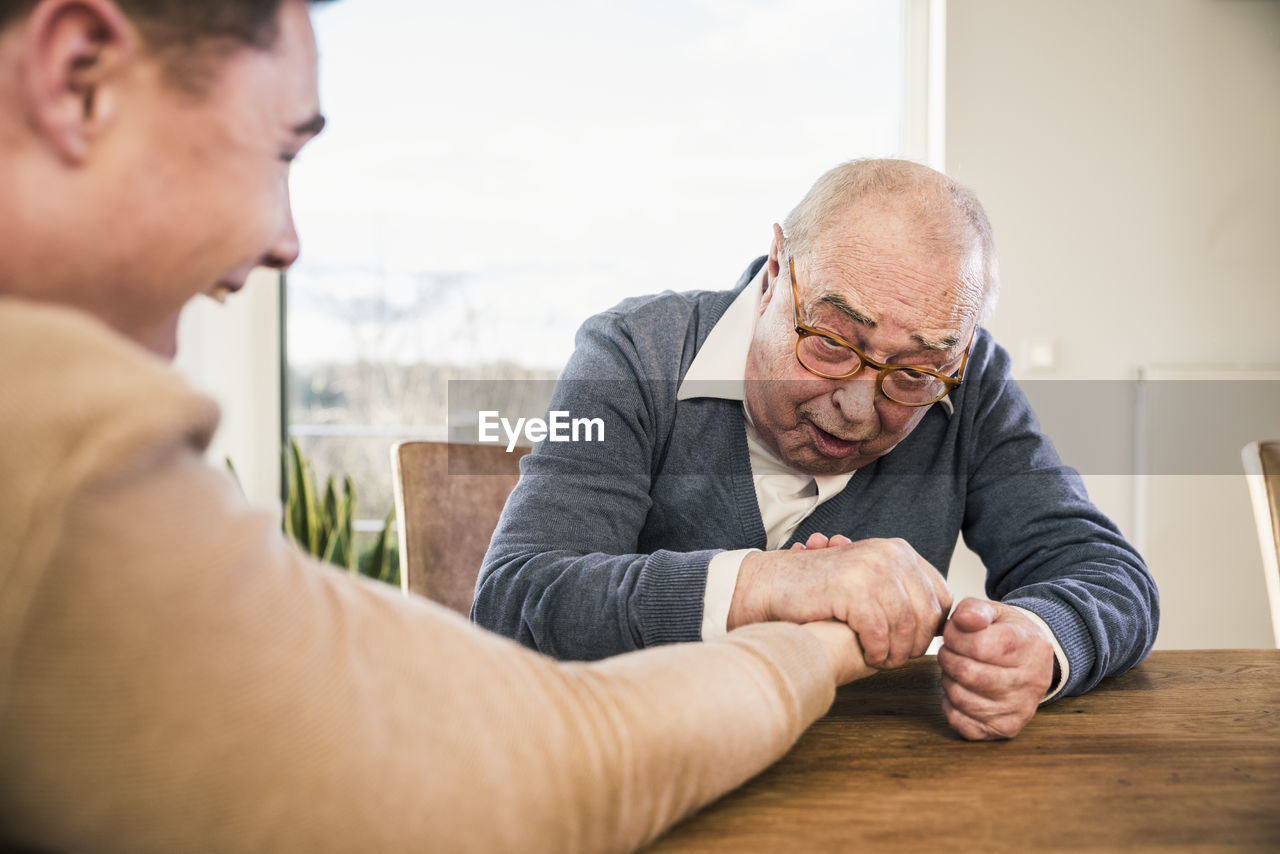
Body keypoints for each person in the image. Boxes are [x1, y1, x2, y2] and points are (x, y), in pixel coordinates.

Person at [0, 1, 875, 850]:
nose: (286, 240)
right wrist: (807, 636)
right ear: (80, 76)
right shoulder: (51, 459)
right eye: (279, 153)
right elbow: (565, 761)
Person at [474, 158, 1161, 741]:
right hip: (635, 765)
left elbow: (1111, 577)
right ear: (776, 271)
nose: (858, 409)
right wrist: (772, 584)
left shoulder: (970, 380)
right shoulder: (629, 353)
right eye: (832, 343)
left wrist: (1039, 642)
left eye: (914, 375)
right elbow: (517, 601)